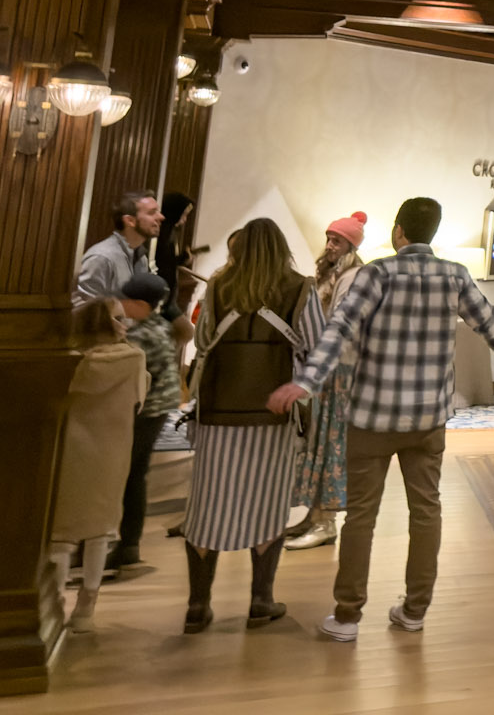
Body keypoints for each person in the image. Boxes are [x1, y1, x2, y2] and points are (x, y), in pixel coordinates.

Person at [266, 196, 494, 644]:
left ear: (399, 231)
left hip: (371, 419)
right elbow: (491, 324)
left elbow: (338, 329)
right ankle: (415, 610)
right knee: (427, 512)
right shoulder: (454, 275)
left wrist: (304, 382)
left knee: (361, 517)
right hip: (428, 421)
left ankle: (346, 617)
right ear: (431, 233)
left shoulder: (376, 273)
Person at [184, 218, 323, 633]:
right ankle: (260, 601)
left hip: (218, 411)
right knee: (267, 505)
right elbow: (316, 344)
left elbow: (204, 338)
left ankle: (197, 606)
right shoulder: (300, 288)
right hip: (272, 413)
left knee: (207, 506)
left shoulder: (218, 286)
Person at [49, 300, 148, 633]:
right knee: (99, 532)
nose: (125, 324)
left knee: (61, 536)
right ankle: (86, 609)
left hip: (69, 451)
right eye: (119, 319)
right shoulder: (133, 359)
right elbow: (140, 398)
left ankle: (54, 605)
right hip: (112, 451)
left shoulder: (68, 362)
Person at [286, 212, 368, 551]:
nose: (330, 245)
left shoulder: (355, 277)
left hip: (341, 371)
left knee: (331, 445)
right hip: (325, 369)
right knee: (317, 443)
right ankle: (313, 514)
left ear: (351, 245)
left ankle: (326, 521)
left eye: (337, 240)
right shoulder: (331, 274)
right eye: (329, 239)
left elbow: (340, 325)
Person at [109, 273, 180, 573]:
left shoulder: (141, 337)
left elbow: (124, 373)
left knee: (126, 476)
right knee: (135, 474)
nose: (122, 306)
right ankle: (128, 545)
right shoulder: (161, 326)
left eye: (126, 301)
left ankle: (124, 544)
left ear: (140, 304)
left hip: (145, 412)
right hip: (158, 409)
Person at [74, 193, 159, 306]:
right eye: (152, 213)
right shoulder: (102, 257)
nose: (161, 217)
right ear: (130, 221)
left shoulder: (141, 258)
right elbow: (86, 311)